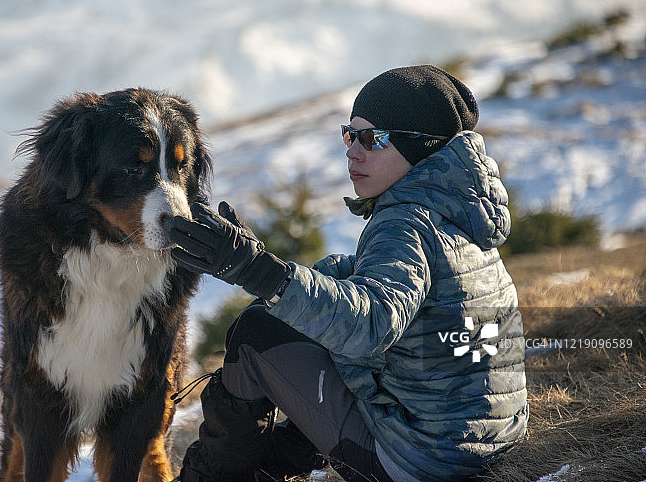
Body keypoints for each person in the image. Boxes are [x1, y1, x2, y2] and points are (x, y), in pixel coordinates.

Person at [168, 65, 528, 482]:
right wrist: (284, 274)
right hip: (484, 441)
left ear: (421, 148)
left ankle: (207, 478)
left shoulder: (405, 224)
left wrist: (258, 271)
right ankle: (272, 460)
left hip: (421, 463)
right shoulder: (455, 212)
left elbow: (371, 323)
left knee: (257, 333)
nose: (352, 151)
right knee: (301, 330)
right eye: (349, 134)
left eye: (372, 139)